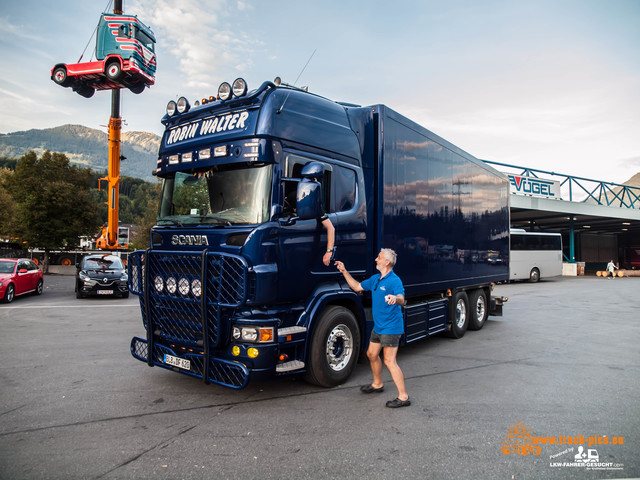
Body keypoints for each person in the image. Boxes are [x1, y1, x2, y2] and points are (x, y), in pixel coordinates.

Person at [335, 249, 410, 408]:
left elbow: (402, 299)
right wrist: (344, 271)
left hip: (391, 327)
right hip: (379, 326)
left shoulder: (394, 281)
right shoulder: (376, 279)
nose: (376, 259)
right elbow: (356, 287)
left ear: (387, 262)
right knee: (371, 353)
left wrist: (394, 298)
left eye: (379, 258)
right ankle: (377, 384)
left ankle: (403, 397)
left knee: (389, 361)